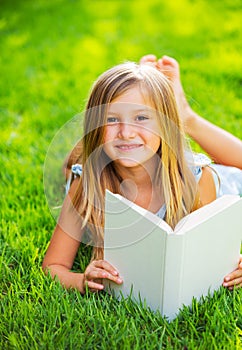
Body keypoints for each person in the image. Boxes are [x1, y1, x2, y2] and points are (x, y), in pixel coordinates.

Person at [42, 54, 242, 294]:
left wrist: (233, 265)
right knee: (75, 165)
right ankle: (144, 86)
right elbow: (53, 266)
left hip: (223, 180)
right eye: (112, 119)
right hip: (100, 165)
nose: (126, 132)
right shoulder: (85, 184)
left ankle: (184, 113)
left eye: (141, 117)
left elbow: (208, 255)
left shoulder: (197, 180)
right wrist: (82, 281)